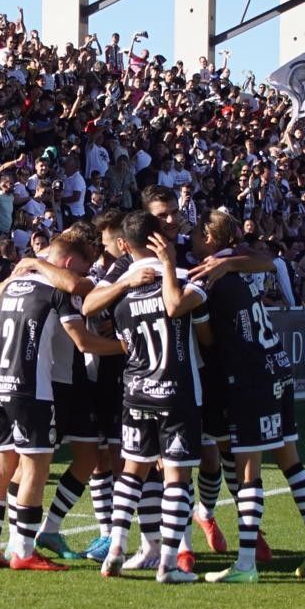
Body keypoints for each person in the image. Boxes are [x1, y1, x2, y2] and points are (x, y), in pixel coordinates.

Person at [180, 209, 305, 583]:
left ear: (211, 239)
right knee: (290, 460)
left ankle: (245, 563)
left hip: (248, 377)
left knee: (247, 471)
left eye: (197, 235)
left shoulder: (209, 275)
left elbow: (208, 340)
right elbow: (266, 259)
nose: (191, 242)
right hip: (276, 366)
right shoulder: (244, 267)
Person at [0, 228, 121, 571]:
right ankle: (24, 550)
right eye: (83, 267)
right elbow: (83, 332)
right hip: (35, 388)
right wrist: (127, 347)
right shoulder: (57, 290)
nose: (85, 275)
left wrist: (31, 264)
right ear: (70, 262)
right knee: (35, 469)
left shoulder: (15, 285)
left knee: (1, 467)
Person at [97, 211, 208, 584]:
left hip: (135, 390)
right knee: (176, 476)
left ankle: (115, 548)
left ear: (125, 245)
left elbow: (93, 310)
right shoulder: (183, 278)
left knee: (132, 472)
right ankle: (169, 564)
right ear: (160, 236)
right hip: (175, 390)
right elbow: (180, 310)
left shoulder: (123, 287)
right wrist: (171, 266)